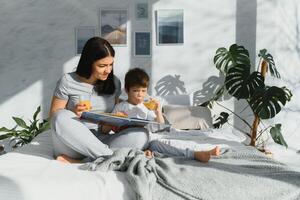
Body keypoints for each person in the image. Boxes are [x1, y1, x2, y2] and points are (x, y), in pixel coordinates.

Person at [49, 37, 149, 163]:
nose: (108, 70)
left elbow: (113, 117)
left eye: (111, 65)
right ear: (88, 63)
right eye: (102, 66)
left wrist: (120, 120)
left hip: (101, 140)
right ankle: (114, 159)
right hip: (72, 143)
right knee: (60, 116)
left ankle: (88, 160)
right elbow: (53, 116)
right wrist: (73, 112)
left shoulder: (114, 82)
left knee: (141, 135)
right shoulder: (68, 81)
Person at [111, 68, 220, 162]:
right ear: (127, 90)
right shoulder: (121, 106)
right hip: (129, 140)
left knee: (164, 144)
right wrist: (118, 119)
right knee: (149, 146)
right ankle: (142, 153)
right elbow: (111, 127)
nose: (140, 95)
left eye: (143, 91)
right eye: (136, 91)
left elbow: (161, 126)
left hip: (146, 140)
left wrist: (158, 112)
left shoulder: (146, 107)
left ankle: (196, 153)